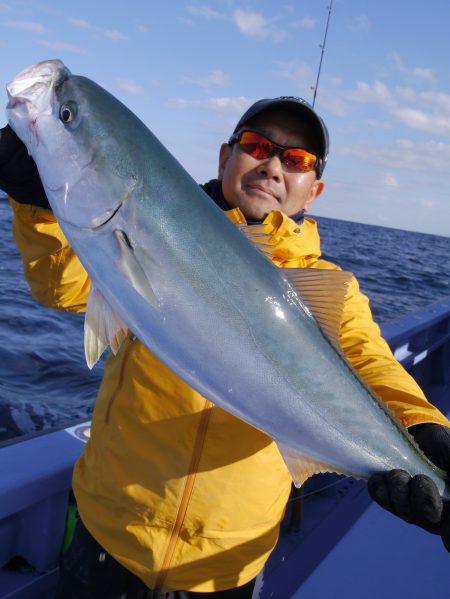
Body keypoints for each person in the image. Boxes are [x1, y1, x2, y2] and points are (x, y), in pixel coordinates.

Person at [1, 96, 450, 598]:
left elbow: (372, 362)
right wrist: (38, 203)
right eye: (257, 145)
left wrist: (425, 429)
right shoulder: (148, 230)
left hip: (226, 562)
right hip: (111, 531)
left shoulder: (328, 286)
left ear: (314, 190)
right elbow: (65, 288)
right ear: (224, 157)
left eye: (297, 159)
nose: (273, 165)